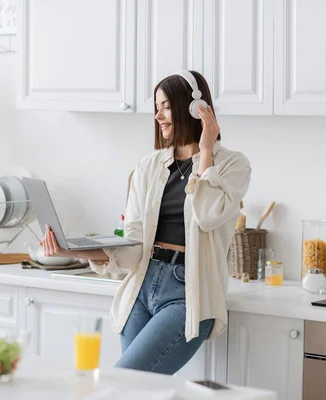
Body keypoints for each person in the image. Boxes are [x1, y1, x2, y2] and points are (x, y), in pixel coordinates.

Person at [39, 70, 251, 375]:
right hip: (142, 286)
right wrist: (69, 250)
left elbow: (207, 216)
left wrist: (206, 150)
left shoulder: (233, 164)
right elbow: (133, 247)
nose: (158, 115)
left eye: (165, 106)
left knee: (125, 384)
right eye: (157, 107)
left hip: (188, 293)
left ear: (193, 107)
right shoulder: (148, 167)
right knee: (140, 392)